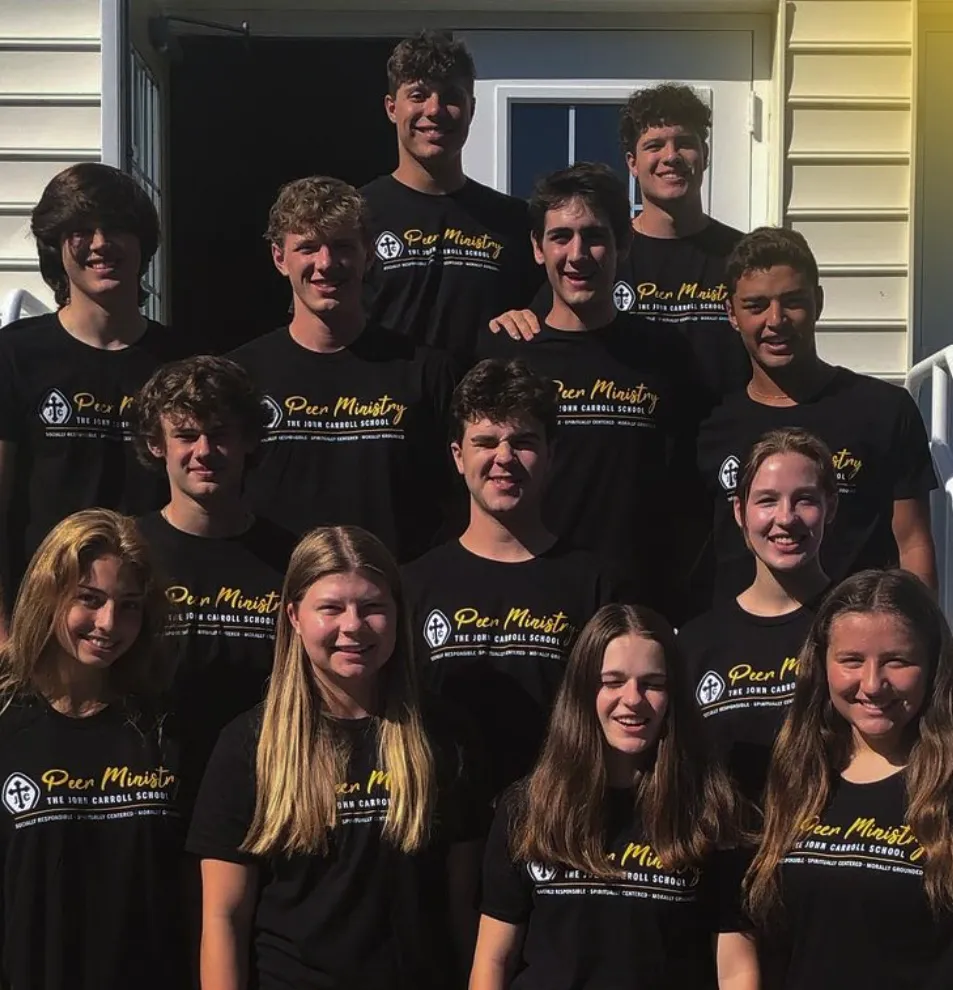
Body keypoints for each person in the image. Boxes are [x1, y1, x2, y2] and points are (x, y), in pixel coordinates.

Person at [187, 525, 490, 990]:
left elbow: (464, 906)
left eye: (372, 607)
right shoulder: (248, 744)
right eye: (331, 607)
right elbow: (225, 919)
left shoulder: (443, 734)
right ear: (294, 615)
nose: (353, 625)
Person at [469, 603, 759, 990]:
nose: (633, 699)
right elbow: (493, 960)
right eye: (613, 681)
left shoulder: (709, 808)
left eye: (652, 683)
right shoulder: (529, 806)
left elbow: (736, 969)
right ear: (584, 690)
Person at [478, 162, 710, 620]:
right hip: (532, 604)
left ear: (623, 244)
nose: (578, 254)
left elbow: (689, 492)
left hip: (639, 607)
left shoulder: (666, 355)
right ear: (537, 249)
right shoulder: (506, 353)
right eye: (561, 236)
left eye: (595, 236)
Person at [403, 357, 626, 794]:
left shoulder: (597, 585)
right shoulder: (412, 586)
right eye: (485, 442)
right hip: (442, 827)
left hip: (561, 821)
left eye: (522, 442)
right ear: (457, 456)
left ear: (551, 454)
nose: (504, 458)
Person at [696, 227, 937, 604]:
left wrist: (920, 639)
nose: (776, 320)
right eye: (756, 306)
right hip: (744, 655)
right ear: (731, 313)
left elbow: (913, 543)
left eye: (792, 301)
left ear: (818, 302)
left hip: (855, 650)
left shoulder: (885, 410)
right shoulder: (710, 426)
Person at [0, 508, 187, 989]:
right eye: (89, 599)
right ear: (48, 594)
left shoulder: (163, 725)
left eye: (128, 605)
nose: (108, 622)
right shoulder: (7, 719)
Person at [229, 176, 458, 562]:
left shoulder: (426, 372)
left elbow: (457, 502)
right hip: (275, 599)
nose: (325, 264)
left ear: (369, 254)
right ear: (279, 258)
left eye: (342, 247)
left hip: (389, 604)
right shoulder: (240, 376)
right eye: (308, 248)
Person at [745, 569, 953, 990]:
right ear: (822, 665)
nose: (873, 684)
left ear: (933, 665)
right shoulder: (790, 776)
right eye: (852, 660)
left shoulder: (945, 783)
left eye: (898, 661)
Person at [0, 163, 185, 624]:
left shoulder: (182, 362)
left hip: (148, 619)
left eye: (118, 228)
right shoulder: (15, 354)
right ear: (56, 245)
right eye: (81, 230)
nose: (102, 244)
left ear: (144, 244)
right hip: (40, 619)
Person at [490, 83, 749, 399]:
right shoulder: (598, 254)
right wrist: (515, 317)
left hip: (725, 439)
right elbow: (545, 327)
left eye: (684, 143)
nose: (671, 157)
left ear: (705, 155)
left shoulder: (741, 256)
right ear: (631, 162)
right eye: (654, 145)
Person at [134, 355, 296, 803]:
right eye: (186, 436)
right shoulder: (126, 553)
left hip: (267, 789)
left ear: (248, 441)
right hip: (148, 793)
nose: (204, 451)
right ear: (156, 444)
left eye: (220, 434)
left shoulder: (291, 560)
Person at [362, 31, 540, 366]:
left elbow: (558, 319)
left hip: (487, 415)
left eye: (451, 97)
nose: (434, 110)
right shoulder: (357, 216)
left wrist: (530, 316)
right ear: (391, 108)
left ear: (472, 109)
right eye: (418, 95)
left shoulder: (515, 221)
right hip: (383, 413)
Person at [679, 427, 836, 800]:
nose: (786, 518)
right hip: (723, 850)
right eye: (767, 500)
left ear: (831, 507)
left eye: (804, 500)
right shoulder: (696, 642)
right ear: (739, 511)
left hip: (823, 850)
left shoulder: (854, 623)